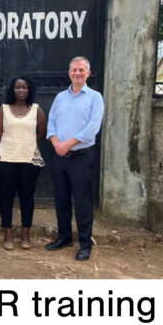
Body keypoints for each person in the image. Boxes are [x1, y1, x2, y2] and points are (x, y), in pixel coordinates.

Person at [46, 56, 104, 261]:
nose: (77, 73)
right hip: (60, 156)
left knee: (82, 203)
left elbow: (92, 129)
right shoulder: (61, 97)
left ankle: (85, 244)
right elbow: (51, 122)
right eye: (74, 70)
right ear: (69, 72)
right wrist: (56, 144)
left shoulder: (95, 97)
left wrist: (67, 144)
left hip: (81, 157)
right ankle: (64, 237)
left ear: (88, 73)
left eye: (81, 70)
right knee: (61, 199)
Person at [0, 76, 46, 250]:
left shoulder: (37, 110)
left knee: (27, 198)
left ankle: (25, 233)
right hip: (6, 158)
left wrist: (24, 140)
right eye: (17, 87)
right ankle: (7, 233)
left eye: (24, 88)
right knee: (5, 197)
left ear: (29, 90)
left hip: (29, 159)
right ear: (12, 90)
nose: (21, 91)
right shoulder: (3, 109)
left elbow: (42, 133)